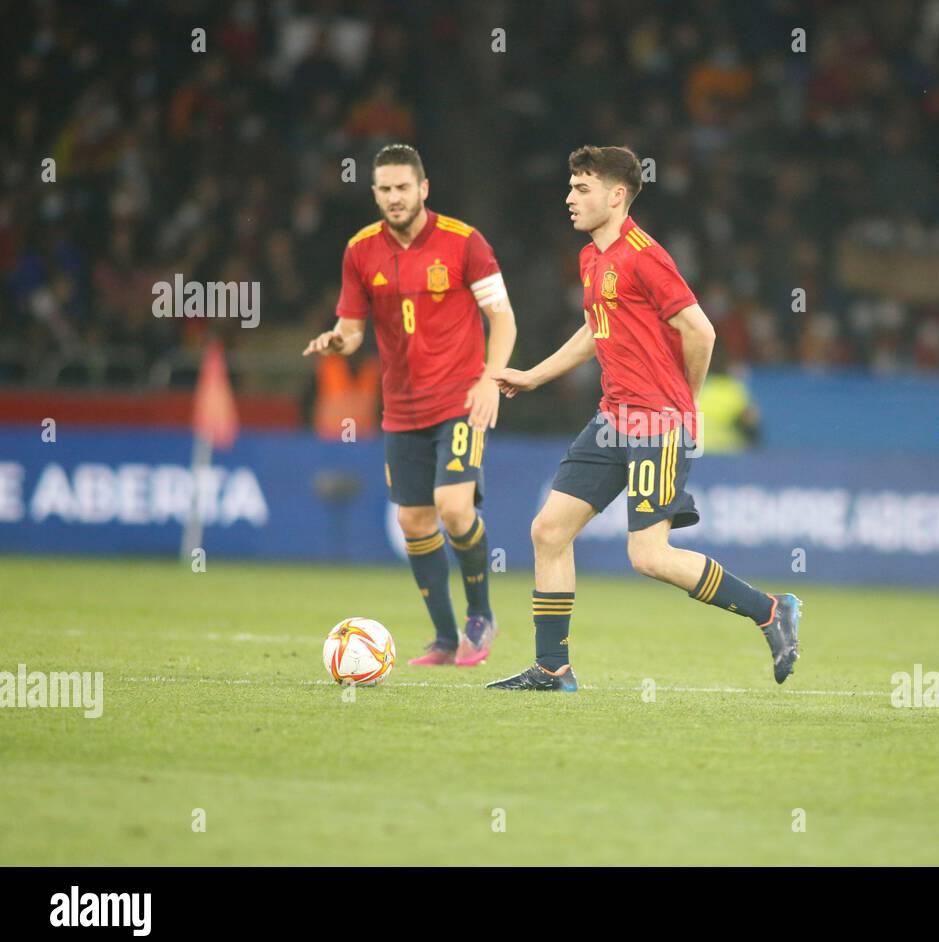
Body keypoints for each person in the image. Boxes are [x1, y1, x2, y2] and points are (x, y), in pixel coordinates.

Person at [488, 145, 800, 692]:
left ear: (616, 196)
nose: (569, 198)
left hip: (656, 421)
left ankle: (771, 609)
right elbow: (594, 328)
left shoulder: (644, 256)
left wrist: (684, 403)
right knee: (549, 530)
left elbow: (701, 331)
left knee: (649, 555)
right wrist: (535, 375)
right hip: (613, 418)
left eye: (581, 189)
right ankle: (552, 667)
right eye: (570, 186)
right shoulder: (591, 257)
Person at [303, 144, 516, 668]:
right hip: (400, 409)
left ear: (423, 189)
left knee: (453, 507)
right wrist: (337, 341)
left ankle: (481, 615)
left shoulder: (465, 243)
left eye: (403, 187)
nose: (394, 197)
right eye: (385, 189)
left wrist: (491, 381)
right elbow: (353, 331)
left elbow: (504, 318)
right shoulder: (360, 251)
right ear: (374, 194)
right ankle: (445, 640)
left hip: (461, 398)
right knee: (415, 521)